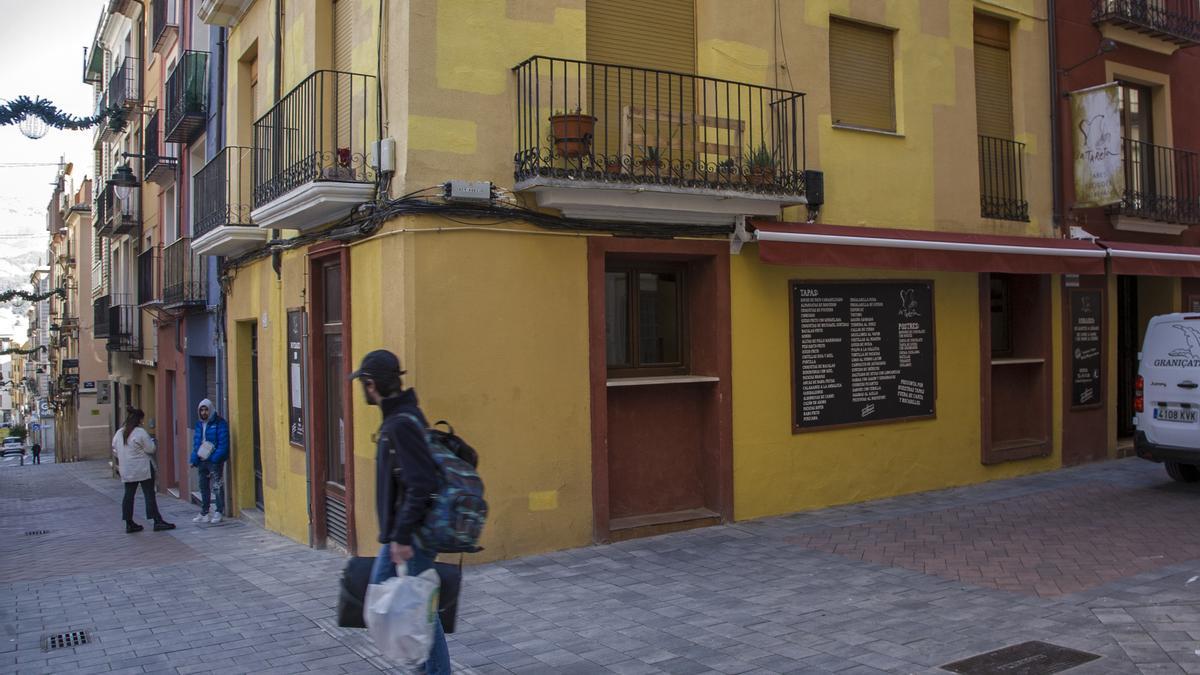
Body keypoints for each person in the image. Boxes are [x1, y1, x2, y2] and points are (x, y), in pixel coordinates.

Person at [351, 350, 450, 675]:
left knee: (412, 606)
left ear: (371, 384)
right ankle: (425, 667)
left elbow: (420, 483)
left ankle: (432, 669)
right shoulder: (404, 416)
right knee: (412, 605)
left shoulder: (400, 423)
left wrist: (403, 535)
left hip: (412, 534)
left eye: (363, 383)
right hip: (404, 533)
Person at [112, 407, 175, 533]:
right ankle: (156, 520)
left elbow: (114, 449)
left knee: (128, 495)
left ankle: (129, 522)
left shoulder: (119, 433)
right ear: (139, 420)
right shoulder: (140, 432)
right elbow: (151, 449)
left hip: (127, 470)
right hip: (143, 468)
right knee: (149, 494)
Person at [189, 399, 230, 524]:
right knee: (203, 487)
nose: (204, 412)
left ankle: (218, 511)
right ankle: (204, 512)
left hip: (213, 460)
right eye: (201, 410)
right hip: (201, 460)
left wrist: (214, 459)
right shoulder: (199, 424)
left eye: (206, 409)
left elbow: (223, 443)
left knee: (217, 486)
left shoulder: (220, 423)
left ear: (210, 409)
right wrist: (194, 459)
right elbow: (197, 444)